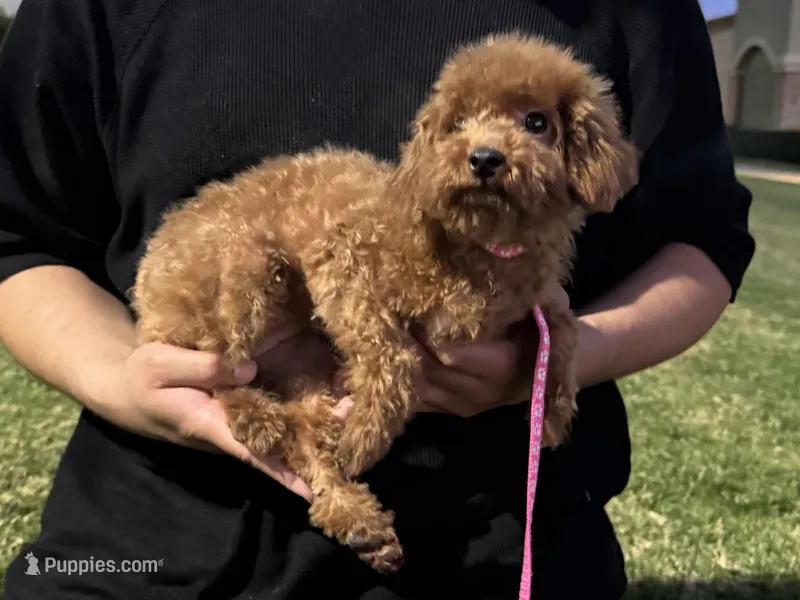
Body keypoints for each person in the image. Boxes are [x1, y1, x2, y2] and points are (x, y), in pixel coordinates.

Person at [0, 0, 754, 598]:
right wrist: (123, 380)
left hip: (505, 551)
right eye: (461, 126)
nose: (489, 147)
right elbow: (16, 233)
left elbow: (702, 239)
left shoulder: (634, 12)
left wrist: (573, 354)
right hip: (146, 557)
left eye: (534, 125)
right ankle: (326, 476)